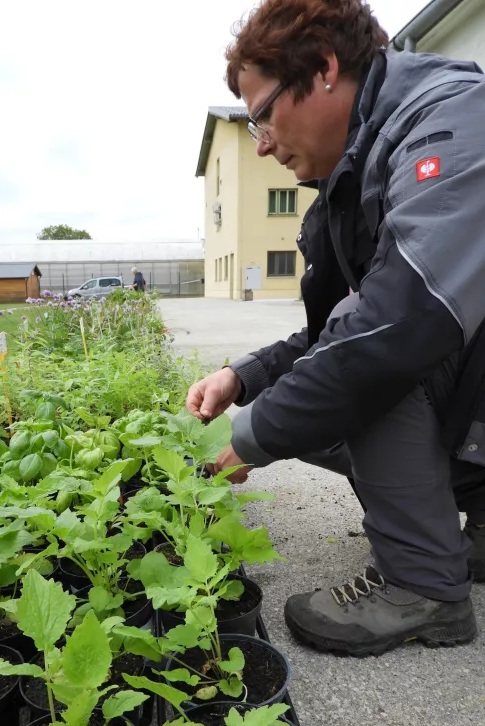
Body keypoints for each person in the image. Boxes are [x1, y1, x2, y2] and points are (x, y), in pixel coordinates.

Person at [186, 0, 485, 657]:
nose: (260, 142)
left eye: (262, 113)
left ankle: (425, 585)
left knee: (358, 365)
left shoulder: (453, 118)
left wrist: (253, 436)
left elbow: (397, 322)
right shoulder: (351, 181)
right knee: (322, 384)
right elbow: (328, 334)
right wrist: (246, 377)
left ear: (324, 70)